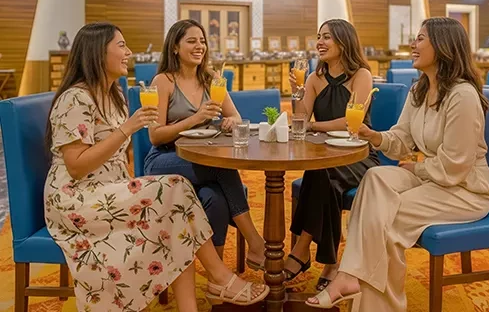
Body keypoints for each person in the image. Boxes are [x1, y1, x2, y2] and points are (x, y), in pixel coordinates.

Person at [44, 22, 269, 312]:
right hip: (77, 197)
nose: (129, 52)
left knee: (177, 207)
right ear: (98, 52)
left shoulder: (113, 96)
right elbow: (75, 168)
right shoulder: (75, 98)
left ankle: (194, 303)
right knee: (177, 187)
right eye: (122, 46)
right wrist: (127, 129)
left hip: (110, 188)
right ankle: (220, 276)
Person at [306, 17, 489, 310]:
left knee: (384, 218)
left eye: (420, 39)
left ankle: (359, 288)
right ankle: (349, 278)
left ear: (442, 46)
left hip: (465, 190)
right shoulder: (419, 90)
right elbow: (403, 139)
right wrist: (374, 136)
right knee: (375, 178)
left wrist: (416, 168)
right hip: (433, 178)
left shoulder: (463, 96)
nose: (412, 44)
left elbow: (455, 166)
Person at [144, 19, 266, 270]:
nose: (199, 46)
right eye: (191, 41)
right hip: (165, 159)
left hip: (202, 158)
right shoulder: (163, 81)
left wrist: (230, 122)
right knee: (220, 166)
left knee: (215, 198)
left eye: (202, 41)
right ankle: (255, 242)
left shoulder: (211, 78)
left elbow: (236, 116)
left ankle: (217, 276)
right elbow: (155, 136)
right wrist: (196, 118)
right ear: (175, 47)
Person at [285, 19, 380, 290]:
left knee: (320, 172)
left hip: (359, 155)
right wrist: (297, 93)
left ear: (344, 41)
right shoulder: (314, 78)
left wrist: (315, 126)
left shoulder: (361, 75)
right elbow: (301, 120)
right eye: (319, 37)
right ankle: (330, 263)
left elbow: (351, 122)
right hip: (326, 155)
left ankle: (301, 249)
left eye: (327, 37)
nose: (320, 42)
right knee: (324, 176)